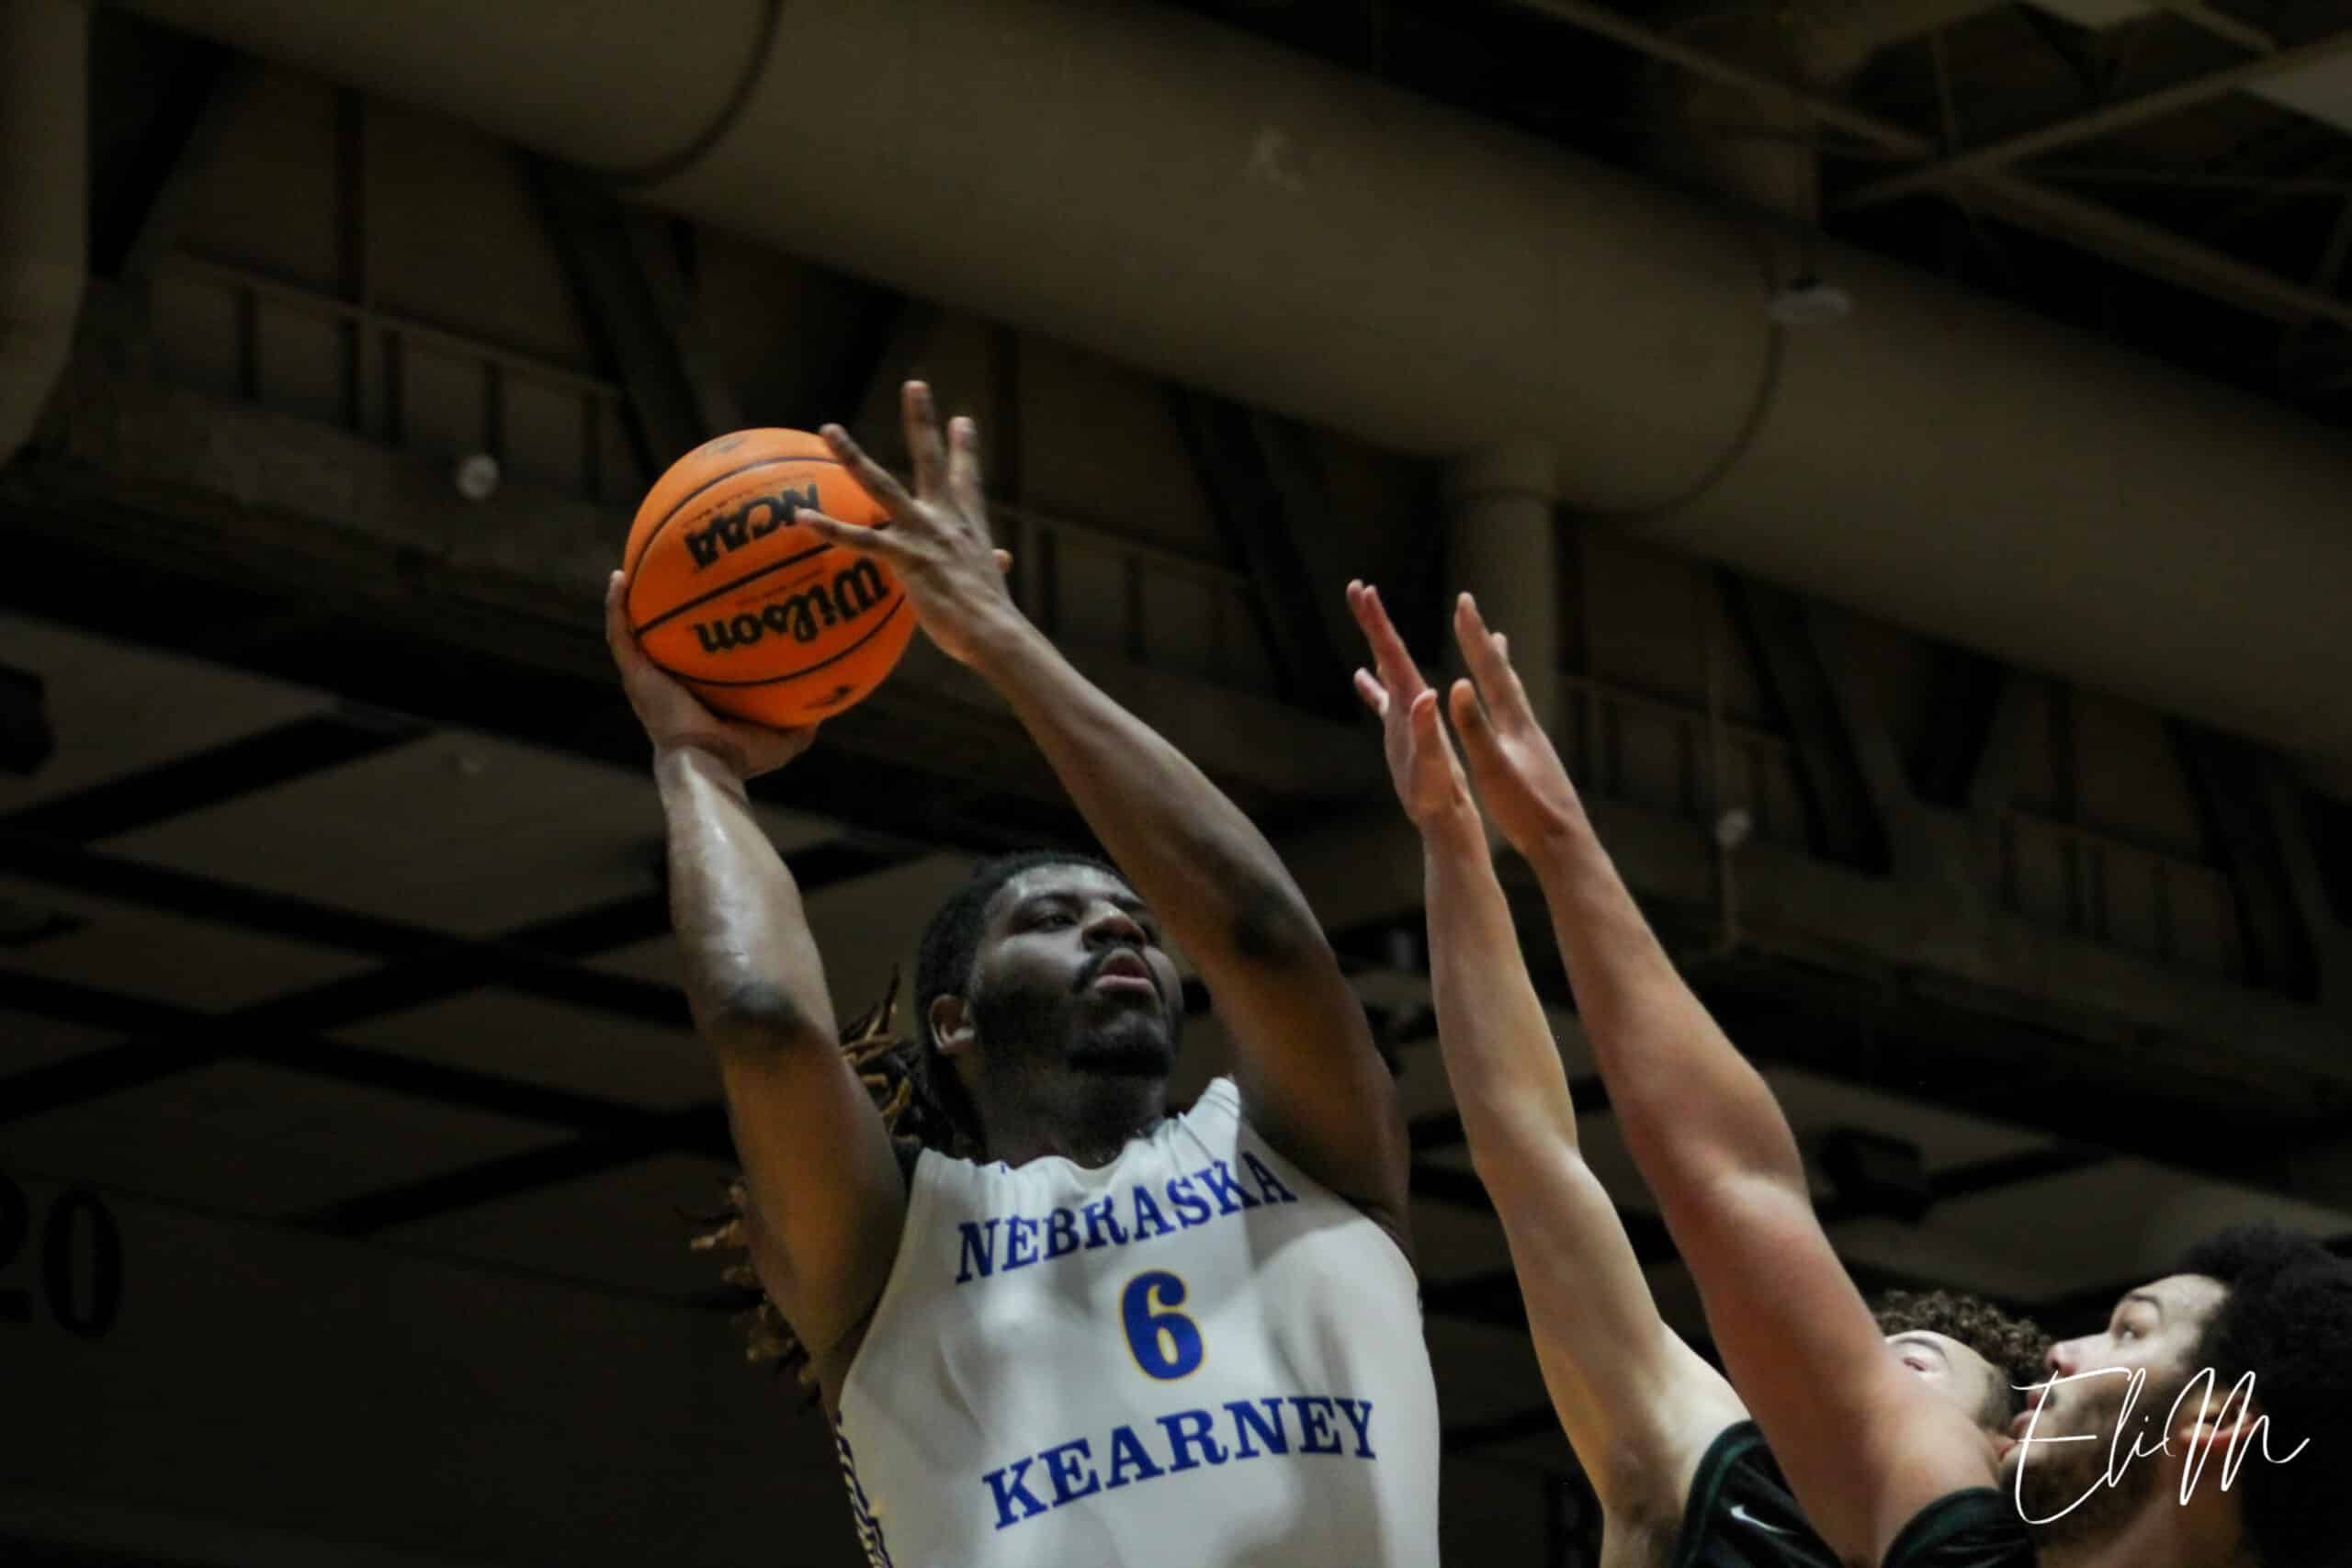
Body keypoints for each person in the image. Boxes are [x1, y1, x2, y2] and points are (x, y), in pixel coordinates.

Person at [605, 383, 1438, 1568]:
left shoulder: (1314, 1159)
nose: (1118, 934)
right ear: (951, 1020)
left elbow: (1257, 929)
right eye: (1053, 919)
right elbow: (761, 1020)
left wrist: (999, 637)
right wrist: (694, 759)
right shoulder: (891, 1252)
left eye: (1138, 923)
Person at [1403, 587, 2352, 1568]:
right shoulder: (1932, 1534)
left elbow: (1730, 1182)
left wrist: (1552, 842)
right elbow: (1729, 1181)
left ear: (2215, 1426)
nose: (2064, 1356)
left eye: (2127, 1330)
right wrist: (1535, 841)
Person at [1345, 581, 2045, 1568]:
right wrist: (1453, 839)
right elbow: (1531, 1157)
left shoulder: (1981, 1541)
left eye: (1914, 1372)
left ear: (2000, 1453)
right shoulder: (1715, 1467)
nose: (1861, 1390)